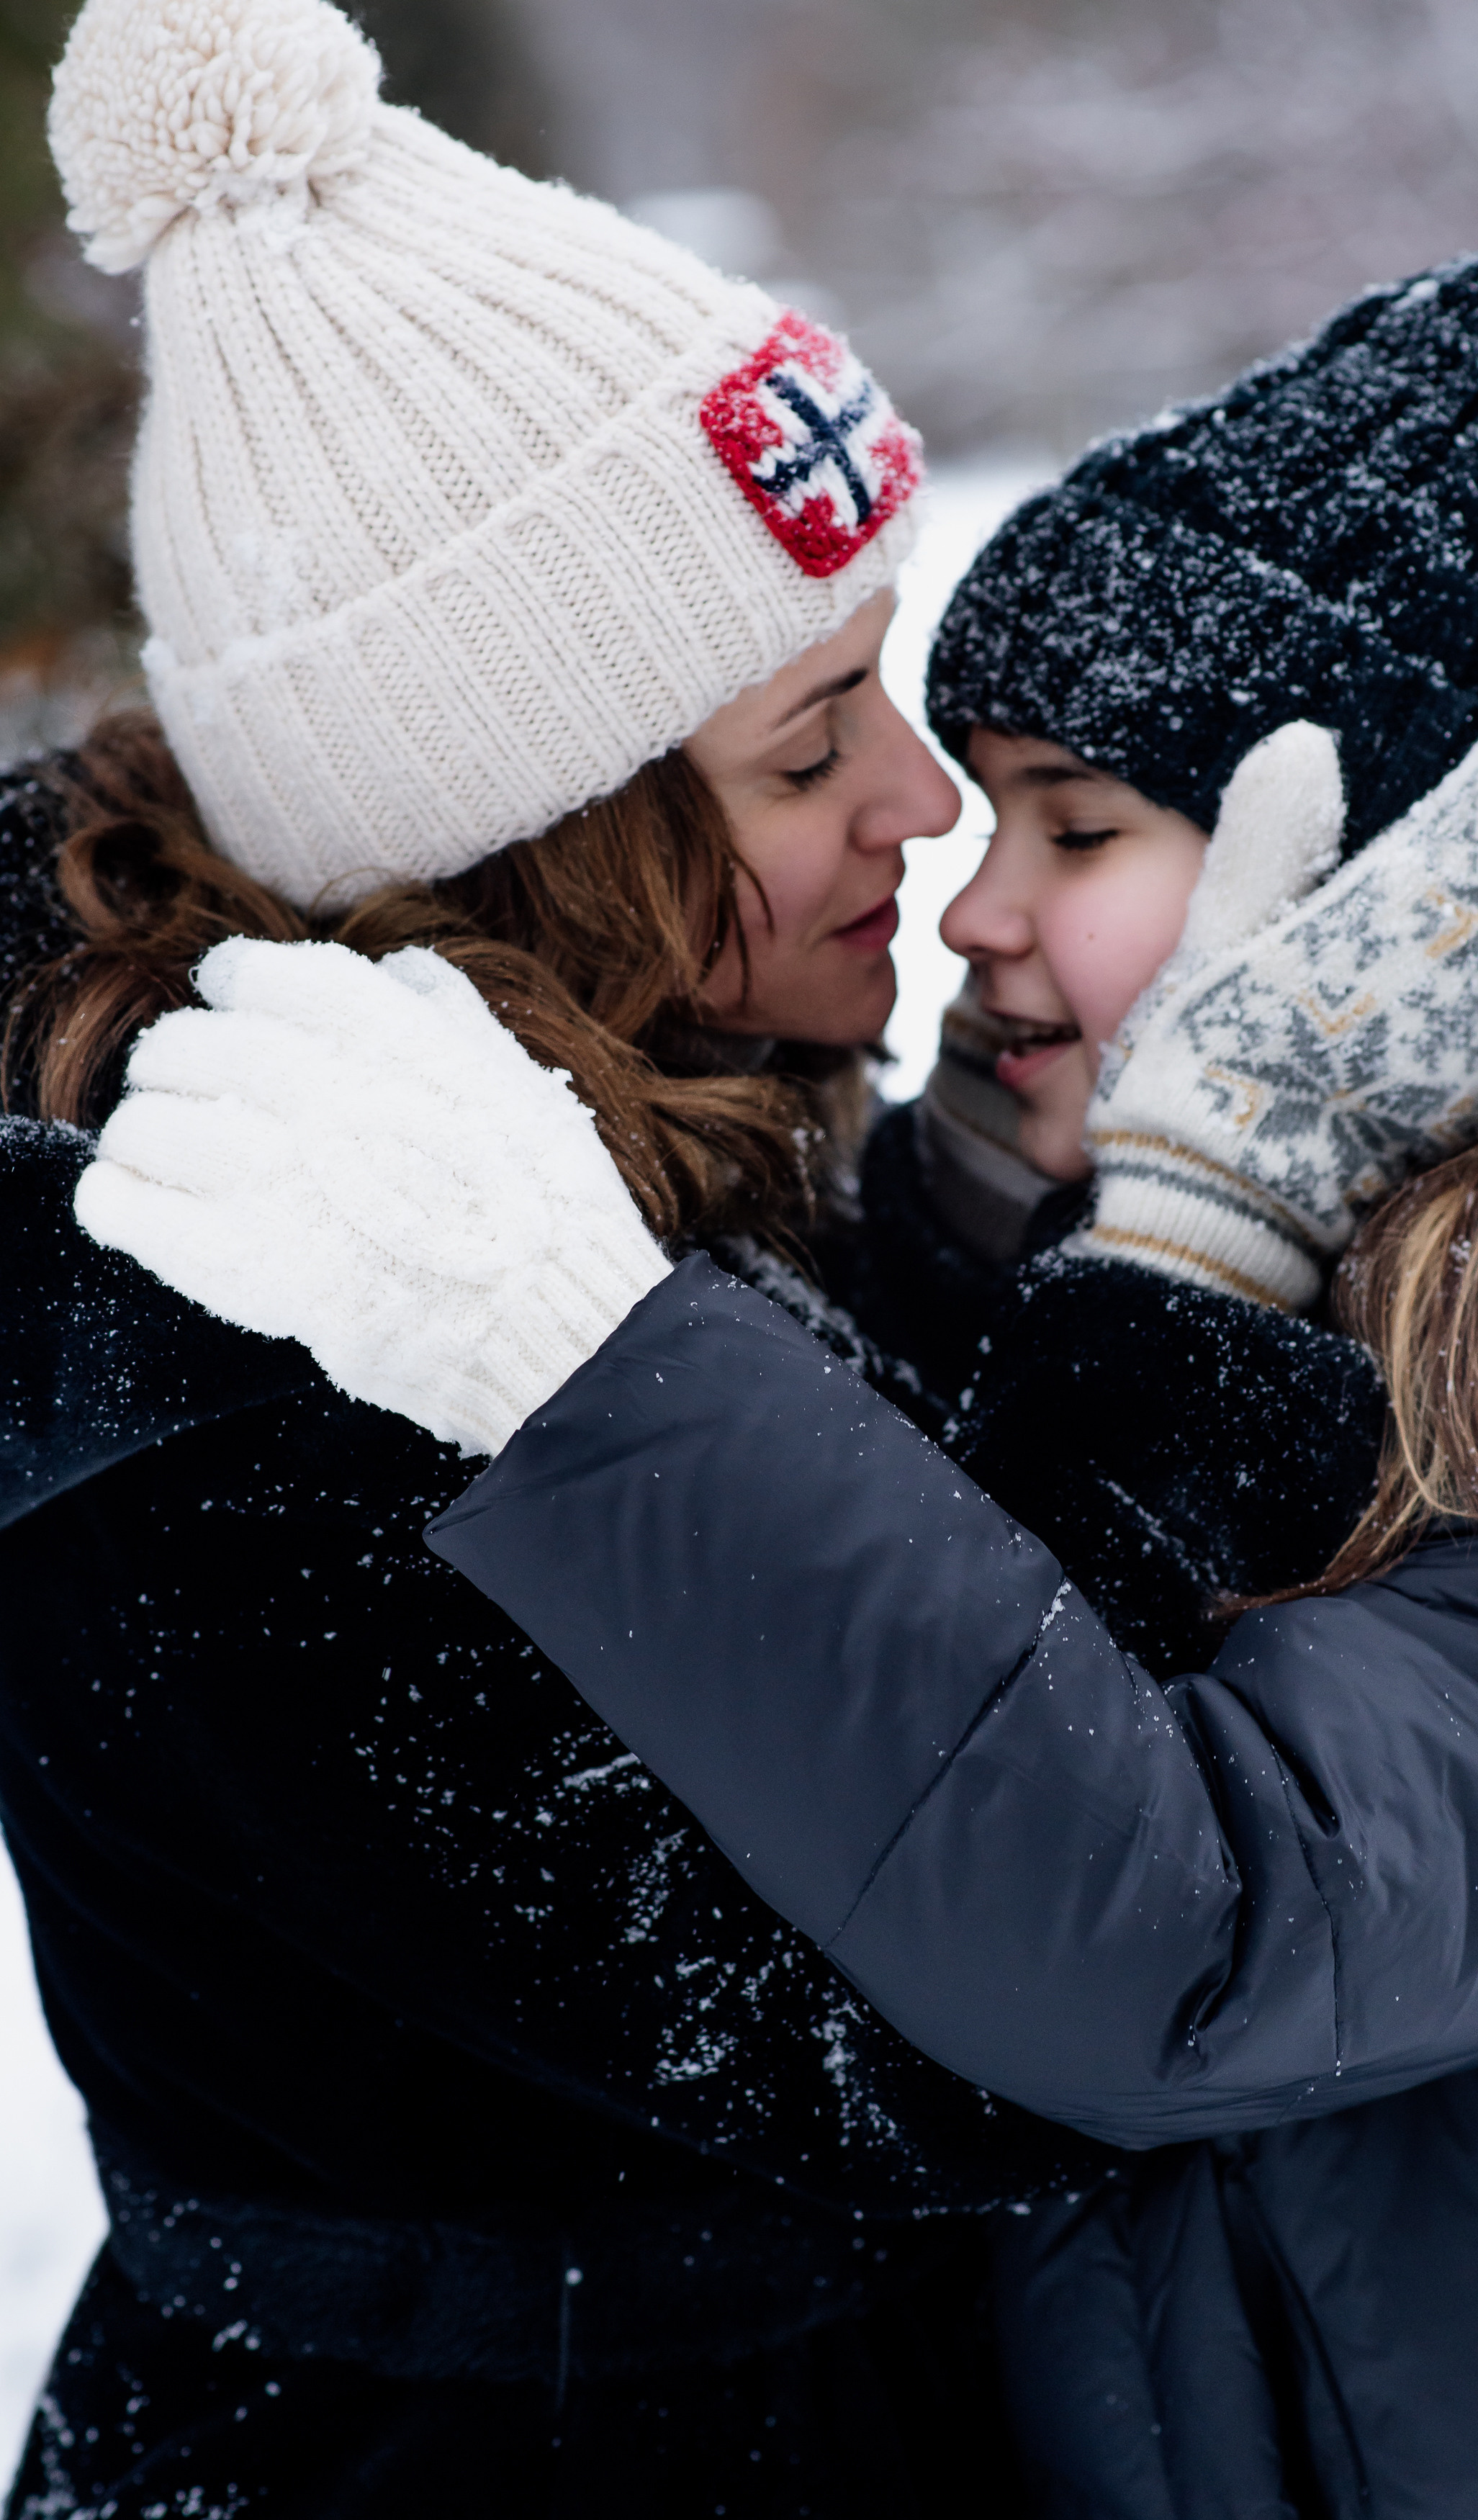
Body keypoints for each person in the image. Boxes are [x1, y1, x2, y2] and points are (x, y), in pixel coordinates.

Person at [91, 252, 1478, 2518]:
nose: (959, 892)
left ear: (1418, 907)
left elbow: (1164, 1914)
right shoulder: (1349, 1266)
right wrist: (1024, 1206)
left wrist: (1181, 1220)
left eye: (1076, 823)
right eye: (837, 745)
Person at [0, 0, 1163, 2511]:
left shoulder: (631, 1115)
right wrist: (1220, 1301)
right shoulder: (258, 1386)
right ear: (546, 837)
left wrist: (998, 1207)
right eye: (808, 744)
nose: (922, 802)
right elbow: (982, 2016)